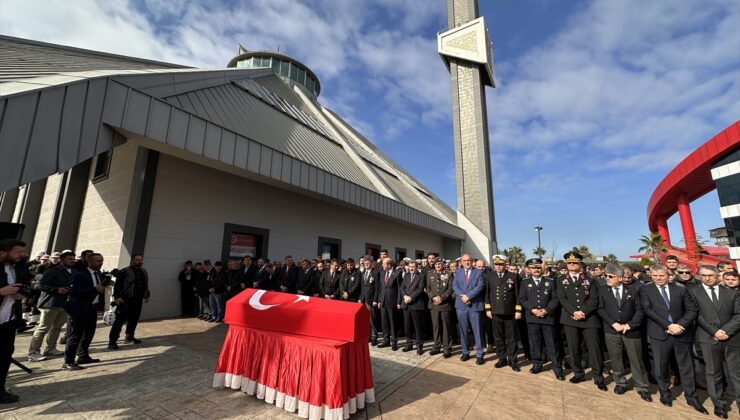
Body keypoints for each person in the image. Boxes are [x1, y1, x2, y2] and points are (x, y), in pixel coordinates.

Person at [640, 264, 707, 414]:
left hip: (682, 333)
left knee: (687, 366)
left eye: (661, 275)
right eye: (655, 276)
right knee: (661, 366)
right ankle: (665, 393)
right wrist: (669, 325)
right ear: (651, 275)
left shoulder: (680, 289)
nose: (658, 278)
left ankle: (692, 396)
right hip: (660, 333)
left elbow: (692, 309)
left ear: (668, 275)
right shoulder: (645, 289)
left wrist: (680, 325)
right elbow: (648, 310)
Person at [689, 265, 740, 418]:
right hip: (707, 338)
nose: (707, 278)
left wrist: (726, 331)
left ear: (718, 276)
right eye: (703, 275)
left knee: (737, 374)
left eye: (710, 275)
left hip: (732, 337)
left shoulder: (731, 293)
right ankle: (719, 405)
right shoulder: (693, 293)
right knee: (713, 373)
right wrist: (715, 331)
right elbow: (696, 314)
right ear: (699, 276)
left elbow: (738, 314)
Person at [597, 263, 651, 401]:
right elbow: (601, 309)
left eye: (610, 276)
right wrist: (613, 323)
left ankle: (642, 386)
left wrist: (630, 325)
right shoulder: (603, 290)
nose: (607, 278)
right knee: (615, 358)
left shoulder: (633, 291)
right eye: (605, 276)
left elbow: (640, 310)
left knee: (636, 359)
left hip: (631, 331)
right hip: (612, 330)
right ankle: (620, 382)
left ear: (620, 278)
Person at [556, 251, 606, 391]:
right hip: (570, 318)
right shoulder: (560, 280)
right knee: (573, 349)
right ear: (566, 265)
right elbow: (562, 298)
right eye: (569, 263)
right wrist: (574, 312)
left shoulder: (590, 280)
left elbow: (594, 299)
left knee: (594, 349)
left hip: (589, 319)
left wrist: (583, 312)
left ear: (580, 264)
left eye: (575, 263)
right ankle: (578, 373)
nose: (572, 265)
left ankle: (598, 377)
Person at [519, 258, 564, 380]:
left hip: (547, 318)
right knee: (535, 343)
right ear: (529, 269)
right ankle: (537, 365)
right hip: (532, 318)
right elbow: (522, 299)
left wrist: (546, 310)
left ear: (542, 268)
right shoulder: (524, 282)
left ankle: (557, 368)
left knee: (552, 345)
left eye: (538, 267)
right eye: (534, 268)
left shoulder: (550, 281)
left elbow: (555, 299)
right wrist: (533, 310)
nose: (536, 270)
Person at [27, 250, 75, 362]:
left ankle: (50, 348)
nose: (72, 261)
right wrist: (56, 289)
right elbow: (39, 285)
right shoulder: (52, 271)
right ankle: (33, 352)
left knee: (57, 328)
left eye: (73, 259)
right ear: (61, 260)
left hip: (63, 304)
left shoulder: (72, 271)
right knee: (43, 328)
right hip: (49, 304)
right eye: (69, 259)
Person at [63, 253, 108, 370]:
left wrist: (101, 306)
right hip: (79, 309)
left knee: (89, 333)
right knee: (75, 335)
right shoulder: (80, 275)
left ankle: (83, 355)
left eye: (101, 260)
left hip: (92, 309)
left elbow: (100, 291)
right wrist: (94, 289)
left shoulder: (99, 275)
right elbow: (75, 293)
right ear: (89, 262)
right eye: (98, 261)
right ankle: (68, 361)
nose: (100, 263)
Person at [0, 239, 32, 403]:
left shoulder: (18, 268)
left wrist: (22, 294)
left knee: (5, 356)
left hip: (9, 321)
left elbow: (25, 287)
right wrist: (1, 291)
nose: (22, 255)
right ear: (3, 253)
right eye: (18, 252)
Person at [485, 254, 522, 371]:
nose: (498, 266)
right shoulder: (489, 276)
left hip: (510, 312)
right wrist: (488, 309)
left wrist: (518, 310)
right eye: (496, 264)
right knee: (499, 337)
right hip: (496, 311)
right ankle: (502, 358)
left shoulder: (512, 276)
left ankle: (513, 359)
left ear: (505, 264)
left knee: (511, 337)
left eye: (501, 264)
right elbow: (487, 294)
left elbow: (517, 295)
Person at [108, 254, 151, 349]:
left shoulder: (143, 271)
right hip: (125, 300)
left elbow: (145, 284)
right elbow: (117, 286)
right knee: (119, 321)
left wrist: (147, 295)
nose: (140, 262)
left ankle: (129, 337)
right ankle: (112, 341)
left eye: (141, 260)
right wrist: (117, 297)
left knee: (134, 319)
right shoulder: (124, 271)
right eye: (137, 260)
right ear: (132, 260)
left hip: (138, 300)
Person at [453, 254, 486, 365]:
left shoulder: (479, 272)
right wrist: (463, 296)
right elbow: (455, 286)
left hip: (475, 306)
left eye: (469, 260)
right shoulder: (458, 272)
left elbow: (480, 286)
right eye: (464, 261)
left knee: (477, 331)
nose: (467, 262)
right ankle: (465, 352)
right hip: (461, 306)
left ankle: (480, 354)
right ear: (461, 262)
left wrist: (469, 296)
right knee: (463, 331)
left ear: (472, 261)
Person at [426, 258, 453, 358]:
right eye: (436, 264)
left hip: (445, 304)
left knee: (446, 327)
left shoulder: (449, 274)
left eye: (439, 264)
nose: (438, 265)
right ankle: (436, 346)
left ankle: (447, 348)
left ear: (443, 265)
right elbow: (428, 288)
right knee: (436, 326)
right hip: (434, 304)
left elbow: (451, 288)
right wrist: (433, 297)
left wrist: (442, 298)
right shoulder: (430, 274)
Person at [399, 260, 427, 355]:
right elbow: (402, 288)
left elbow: (420, 289)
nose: (411, 268)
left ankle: (419, 346)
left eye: (413, 266)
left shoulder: (421, 276)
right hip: (406, 304)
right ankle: (409, 344)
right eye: (410, 266)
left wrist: (411, 297)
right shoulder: (406, 275)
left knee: (417, 327)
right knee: (407, 326)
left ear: (416, 267)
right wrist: (405, 297)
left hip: (416, 304)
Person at [376, 258, 400, 350]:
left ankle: (394, 342)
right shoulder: (382, 274)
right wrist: (379, 300)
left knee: (392, 322)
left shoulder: (397, 274)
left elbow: (399, 289)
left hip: (392, 302)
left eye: (383, 264)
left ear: (389, 265)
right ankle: (386, 340)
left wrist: (398, 302)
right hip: (383, 301)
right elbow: (380, 288)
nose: (382, 265)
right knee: (384, 322)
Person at [359, 257, 379, 345]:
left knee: (372, 319)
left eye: (368, 263)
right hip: (364, 299)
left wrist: (375, 299)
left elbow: (377, 288)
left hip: (371, 299)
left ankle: (374, 337)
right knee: (366, 319)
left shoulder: (375, 273)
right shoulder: (363, 272)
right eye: (365, 263)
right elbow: (362, 287)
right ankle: (369, 336)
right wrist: (360, 298)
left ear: (371, 263)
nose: (366, 265)